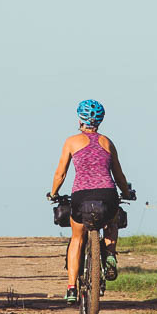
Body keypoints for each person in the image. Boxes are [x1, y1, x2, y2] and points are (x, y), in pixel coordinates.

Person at [47, 99, 133, 302]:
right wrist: (126, 193)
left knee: (77, 238)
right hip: (107, 194)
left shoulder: (71, 141)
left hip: (81, 196)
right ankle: (110, 254)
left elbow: (61, 173)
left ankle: (70, 288)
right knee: (111, 221)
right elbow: (119, 175)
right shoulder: (107, 142)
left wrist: (53, 193)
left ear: (80, 119)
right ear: (100, 121)